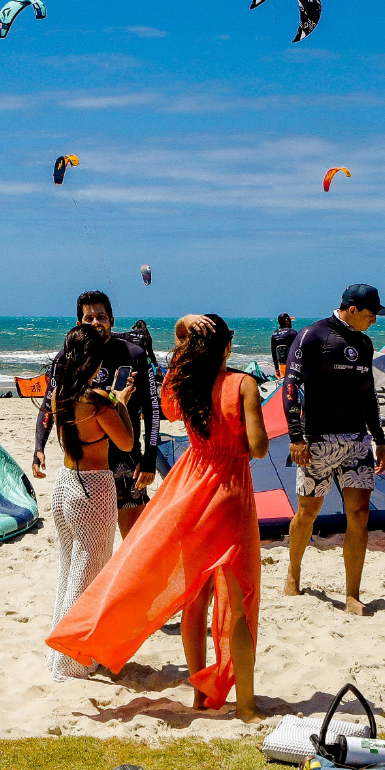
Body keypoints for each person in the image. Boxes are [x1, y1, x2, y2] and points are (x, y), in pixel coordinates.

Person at [48, 314, 265, 720]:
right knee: (237, 601)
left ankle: (201, 697)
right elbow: (257, 448)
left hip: (188, 490)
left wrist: (182, 329)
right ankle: (247, 707)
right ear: (228, 348)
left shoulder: (185, 385)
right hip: (231, 493)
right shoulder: (243, 385)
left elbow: (164, 407)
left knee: (193, 599)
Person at [281, 284, 385, 616]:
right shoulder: (314, 335)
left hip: (356, 442)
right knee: (308, 513)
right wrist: (296, 437)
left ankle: (352, 594)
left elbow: (368, 393)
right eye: (371, 315)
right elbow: (290, 386)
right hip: (317, 442)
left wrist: (379, 437)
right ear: (353, 309)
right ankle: (293, 571)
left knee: (360, 515)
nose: (374, 322)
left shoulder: (365, 343)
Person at [37, 325, 133, 679]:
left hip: (65, 484)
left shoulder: (62, 392)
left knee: (69, 571)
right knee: (87, 576)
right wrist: (120, 403)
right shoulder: (97, 401)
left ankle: (59, 655)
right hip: (92, 487)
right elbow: (125, 443)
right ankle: (70, 661)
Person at [32, 291, 162, 539]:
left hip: (127, 463)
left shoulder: (133, 355)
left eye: (101, 316)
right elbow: (49, 405)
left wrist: (149, 457)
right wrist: (39, 447)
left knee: (133, 544)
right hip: (86, 468)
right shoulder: (66, 358)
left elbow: (152, 409)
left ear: (112, 320)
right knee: (92, 547)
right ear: (79, 323)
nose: (95, 323)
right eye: (88, 318)